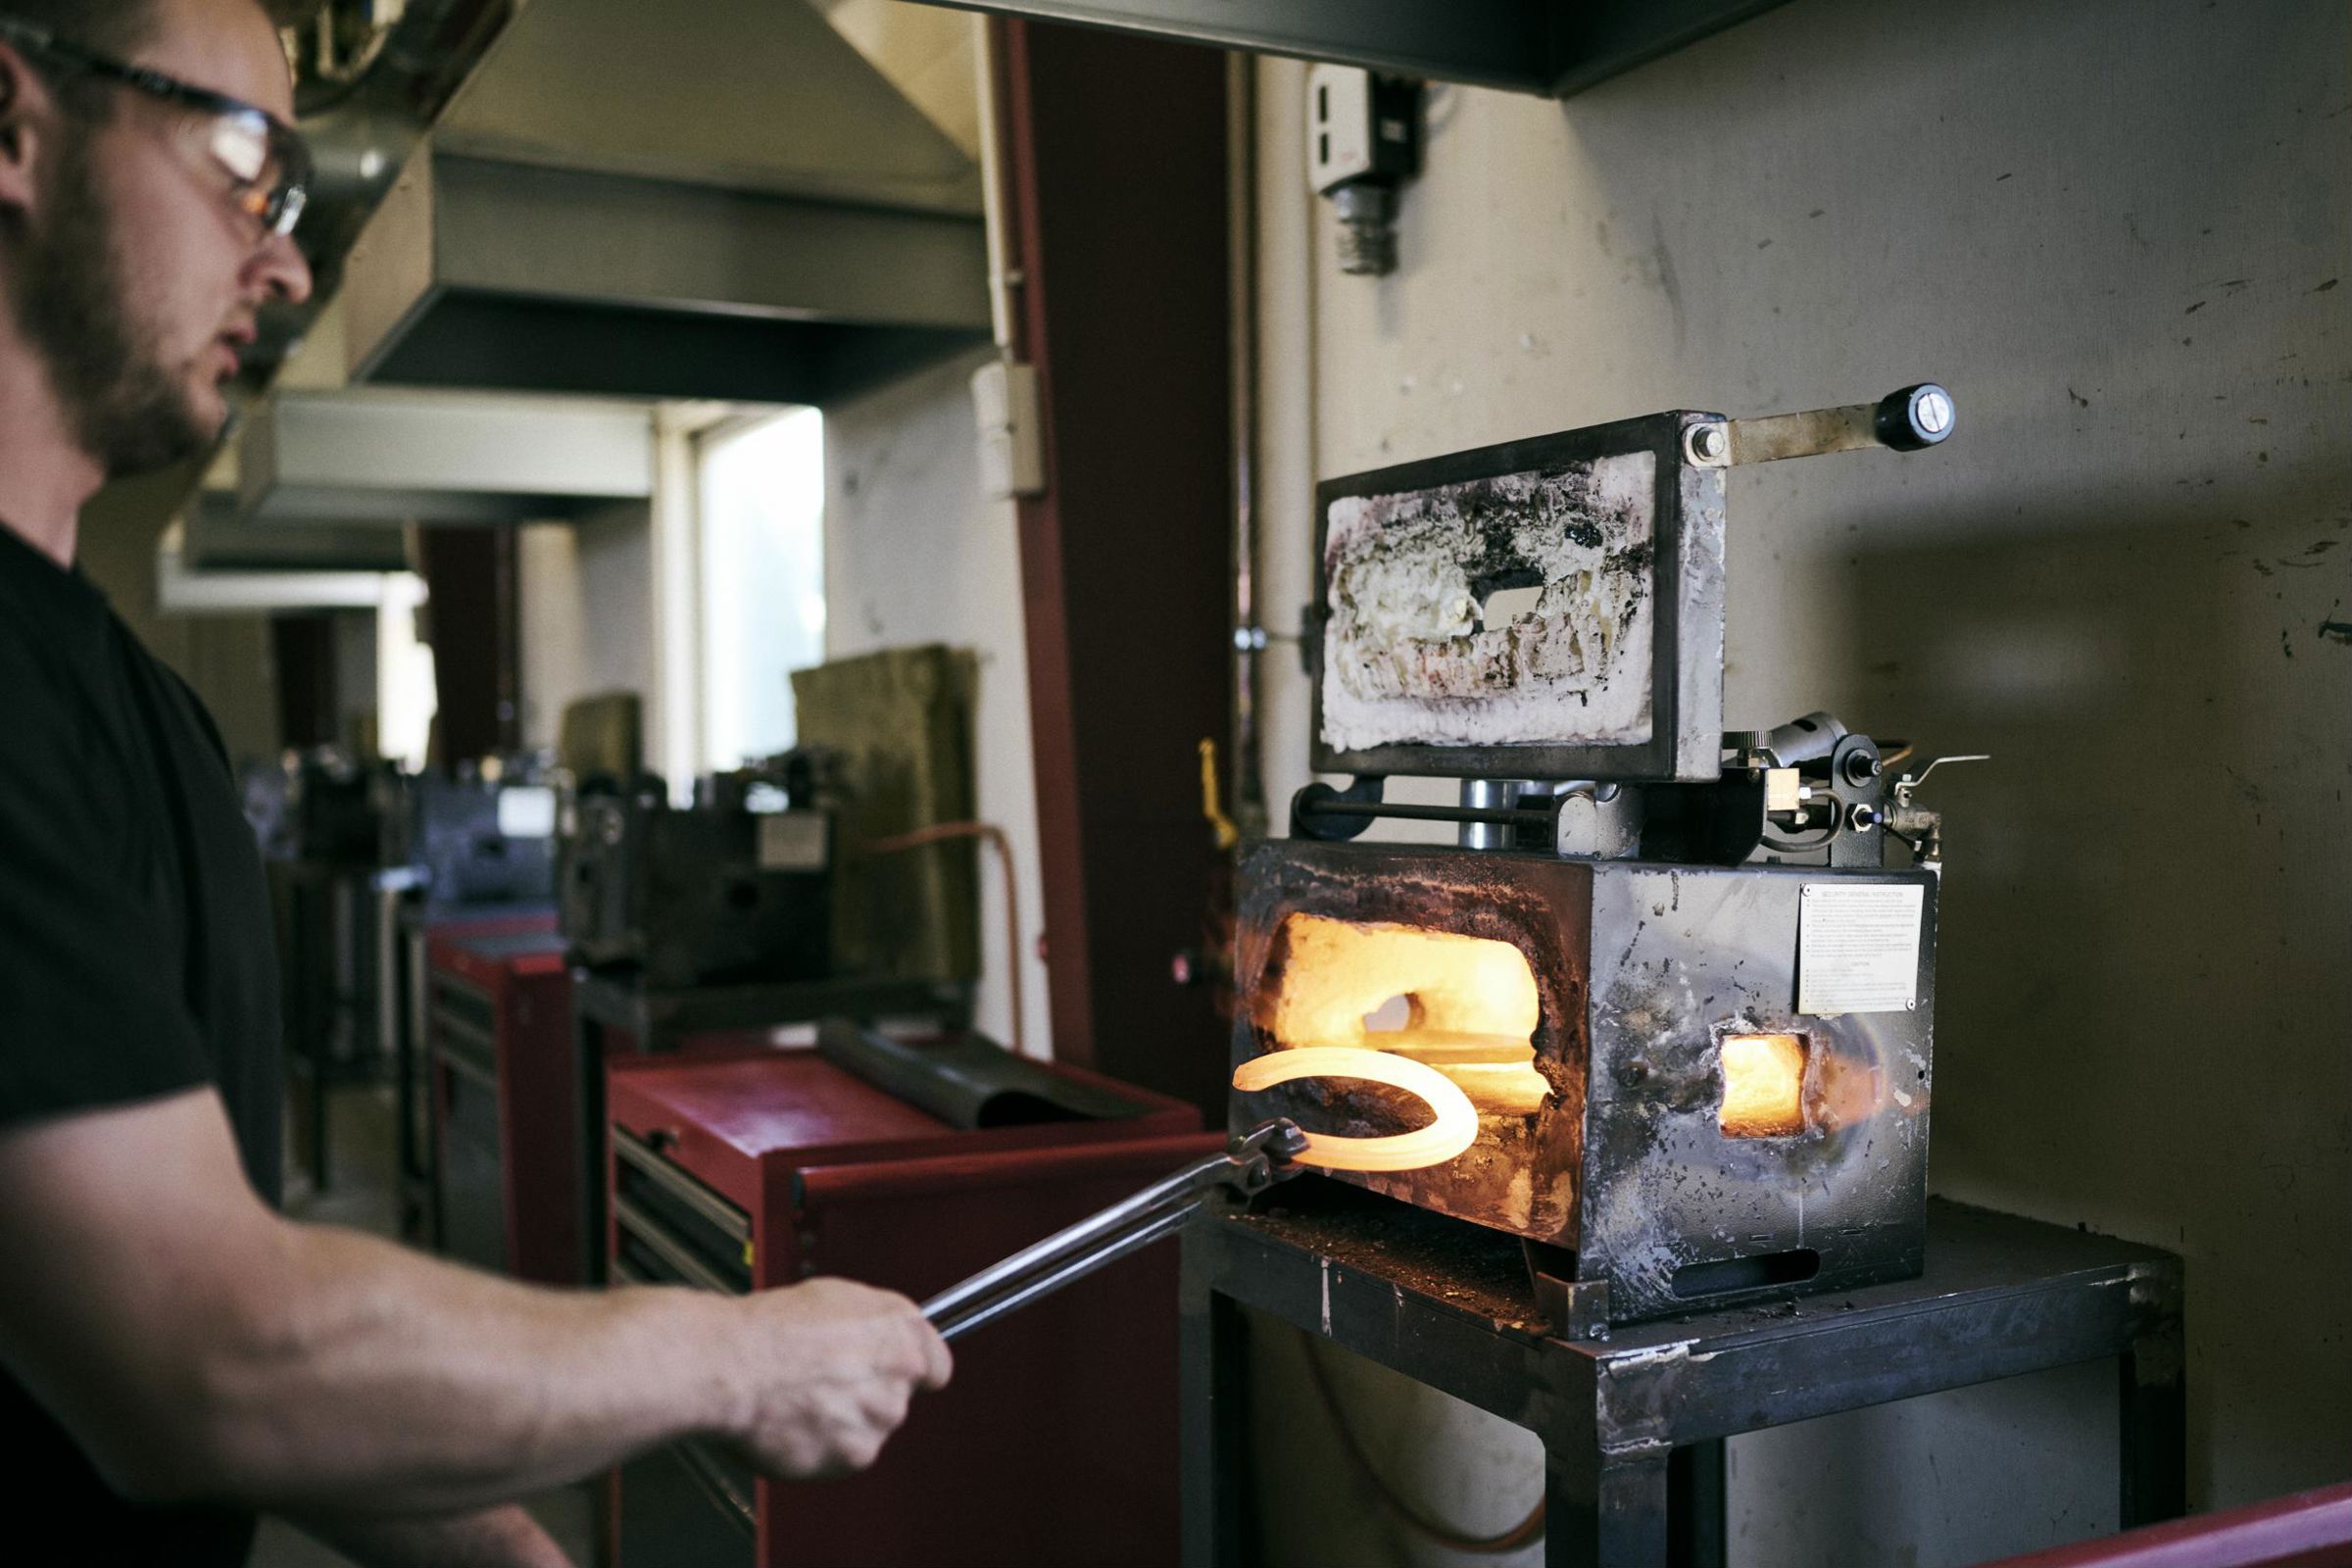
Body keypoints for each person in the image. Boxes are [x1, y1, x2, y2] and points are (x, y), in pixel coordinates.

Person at [0, 1, 952, 1562]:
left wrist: (499, 1549)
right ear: (15, 122)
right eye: (241, 164)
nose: (286, 264)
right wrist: (736, 1357)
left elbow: (233, 1303)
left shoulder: (148, 719)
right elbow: (207, 1355)